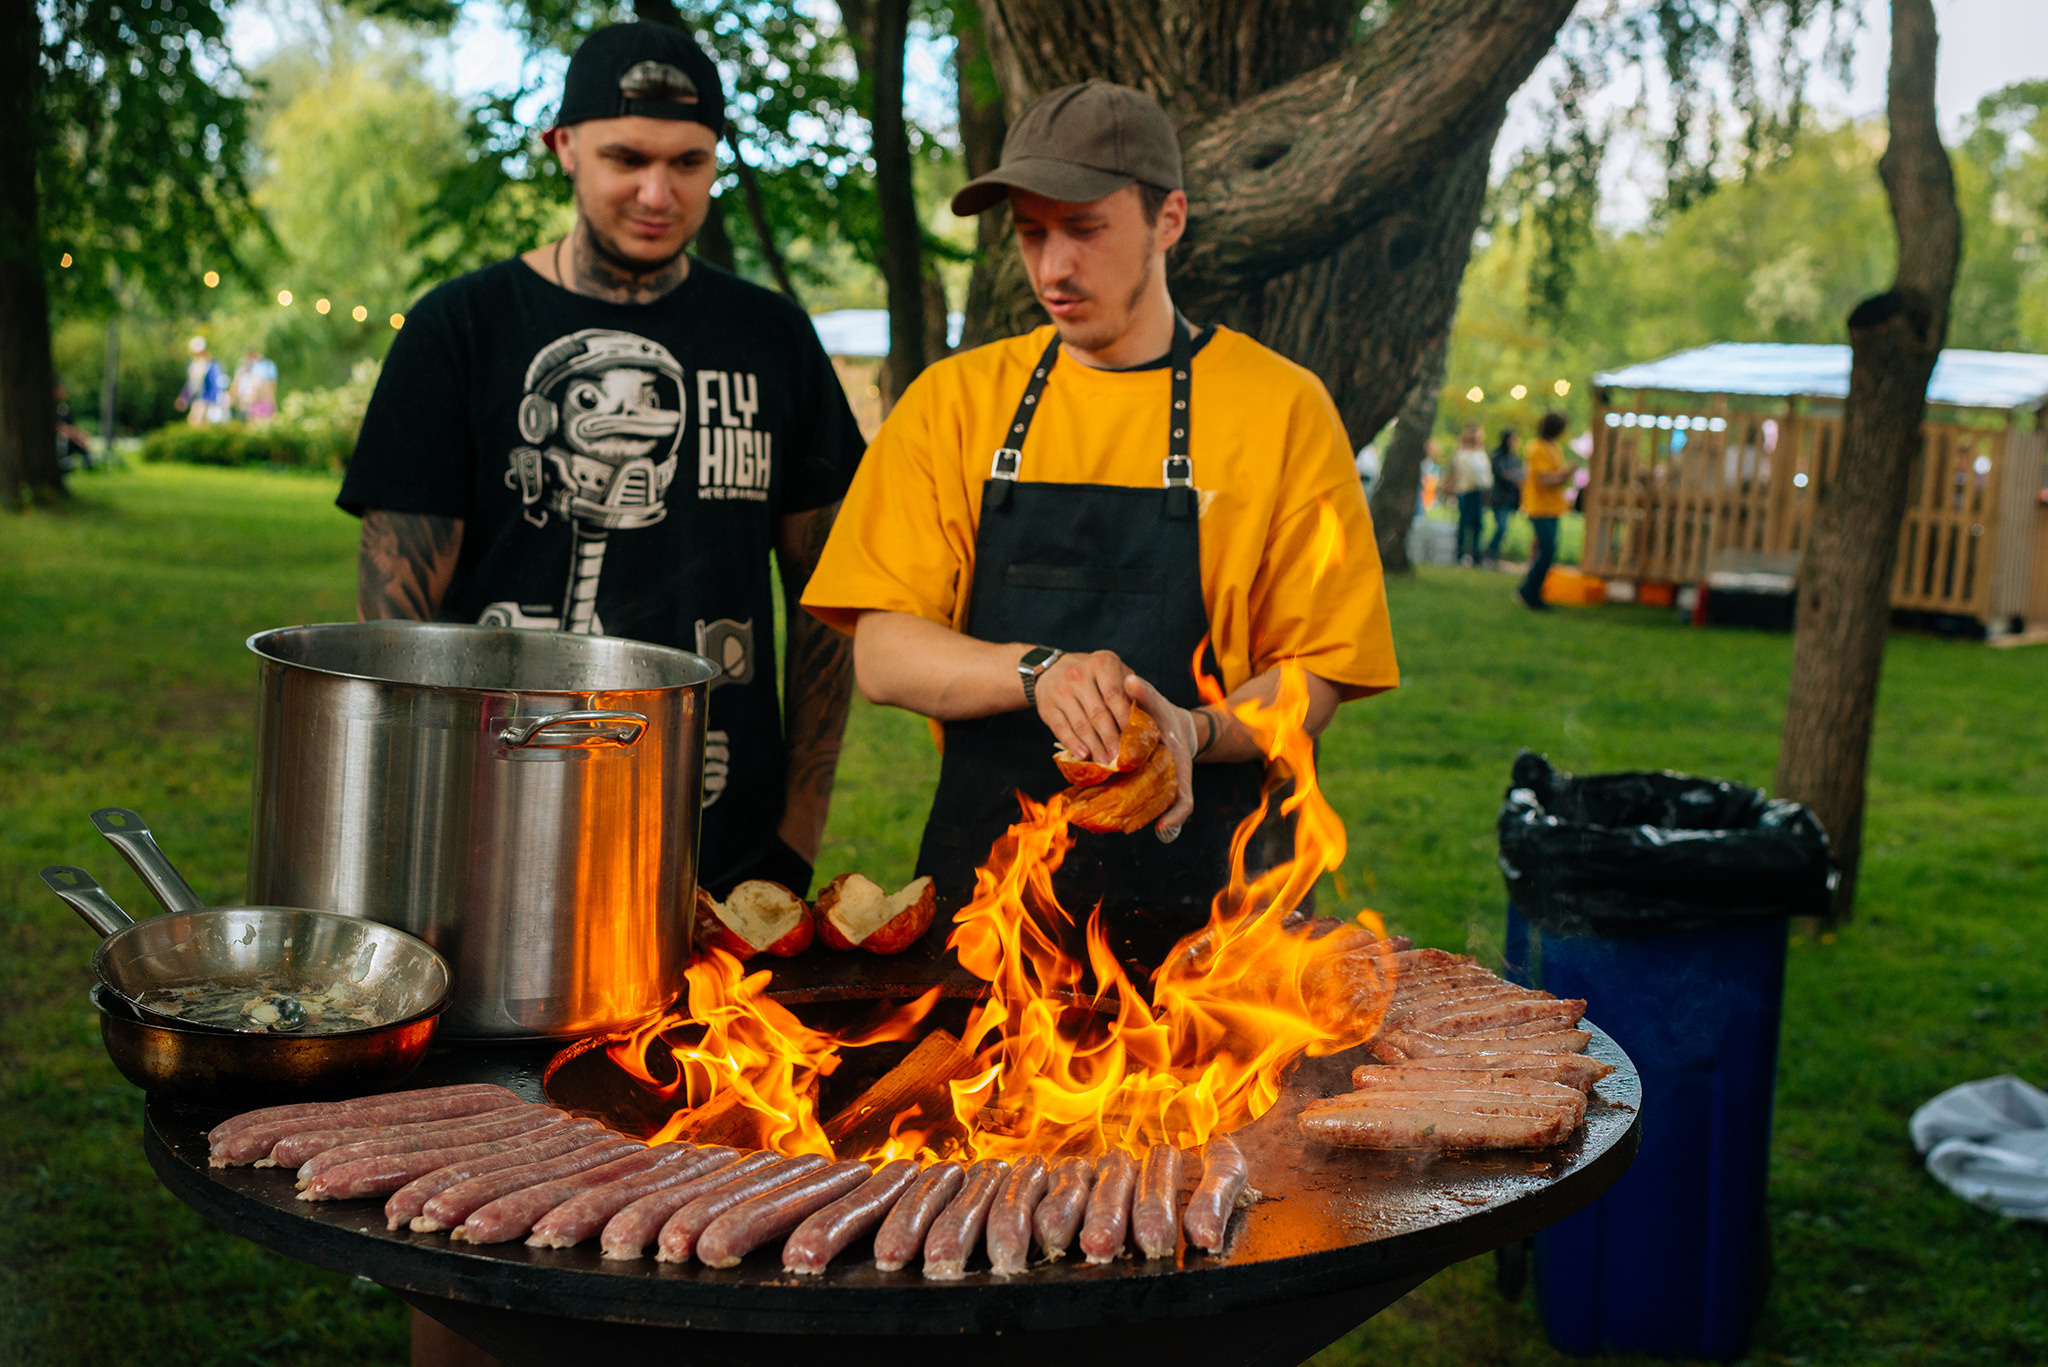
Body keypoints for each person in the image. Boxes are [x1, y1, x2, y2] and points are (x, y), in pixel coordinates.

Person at [801, 81, 1399, 969]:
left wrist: (1191, 730)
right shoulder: (954, 405)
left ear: (1169, 219)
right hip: (990, 902)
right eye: (1033, 233)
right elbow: (883, 652)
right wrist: (1038, 670)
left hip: (1217, 913)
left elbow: (1316, 676)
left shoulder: (1282, 410)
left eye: (1084, 229)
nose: (1053, 269)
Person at [338, 20, 863, 909]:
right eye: (627, 158)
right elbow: (390, 622)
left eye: (689, 163)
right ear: (564, 147)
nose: (658, 192)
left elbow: (830, 602)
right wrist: (401, 831)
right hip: (489, 848)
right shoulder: (459, 331)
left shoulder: (772, 337)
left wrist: (794, 837)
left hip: (721, 859)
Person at [1518, 411, 1573, 609]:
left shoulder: (1554, 448)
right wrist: (1565, 475)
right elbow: (1544, 479)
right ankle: (1528, 591)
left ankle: (1533, 590)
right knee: (1547, 550)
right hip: (1538, 507)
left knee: (1543, 550)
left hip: (1552, 508)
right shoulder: (1537, 448)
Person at [1445, 422, 1493, 565]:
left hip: (1478, 493)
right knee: (1465, 523)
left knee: (1477, 524)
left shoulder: (1480, 453)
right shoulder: (1462, 454)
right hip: (1466, 492)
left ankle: (1475, 554)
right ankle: (1460, 554)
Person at [1484, 427, 1522, 565]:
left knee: (1503, 528)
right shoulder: (1498, 456)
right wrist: (1513, 476)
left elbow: (1519, 475)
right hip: (1499, 498)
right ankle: (1490, 553)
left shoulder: (1514, 458)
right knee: (1501, 527)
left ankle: (1492, 554)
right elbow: (1503, 475)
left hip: (1510, 499)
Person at [174, 337, 226, 426]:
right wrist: (184, 397)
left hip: (206, 400)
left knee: (196, 422)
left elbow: (214, 385)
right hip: (197, 400)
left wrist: (212, 402)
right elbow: (191, 384)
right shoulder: (192, 365)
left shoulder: (211, 366)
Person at [233, 348, 278, 421]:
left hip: (263, 401)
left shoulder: (267, 365)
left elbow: (272, 386)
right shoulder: (244, 366)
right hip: (253, 401)